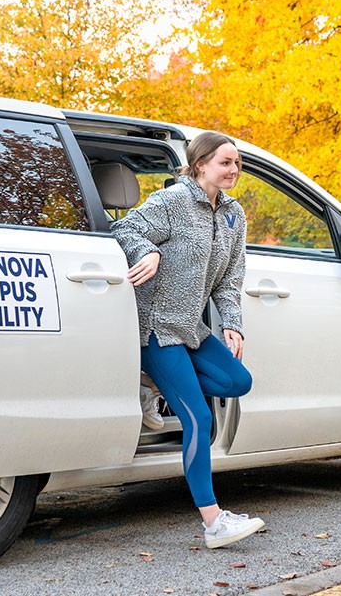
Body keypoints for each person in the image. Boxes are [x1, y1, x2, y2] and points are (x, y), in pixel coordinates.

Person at [109, 131, 264, 549]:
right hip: (158, 328)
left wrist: (232, 322)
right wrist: (150, 251)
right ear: (200, 165)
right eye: (224, 163)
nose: (233, 170)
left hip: (191, 328)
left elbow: (231, 279)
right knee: (199, 417)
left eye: (236, 163)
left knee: (237, 382)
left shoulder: (234, 215)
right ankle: (213, 522)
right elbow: (124, 229)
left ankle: (153, 384)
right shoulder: (171, 202)